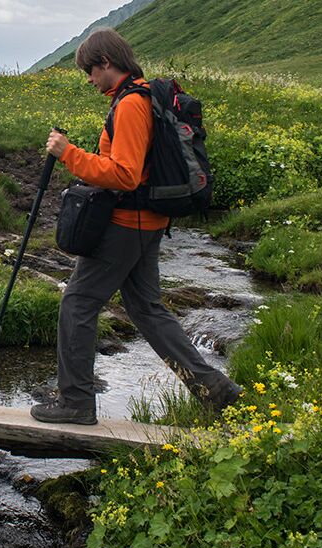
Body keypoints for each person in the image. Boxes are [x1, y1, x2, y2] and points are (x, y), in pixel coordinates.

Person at [30, 28, 242, 425]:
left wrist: (69, 154)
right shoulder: (143, 96)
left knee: (77, 304)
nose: (90, 80)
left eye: (90, 72)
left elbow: (125, 175)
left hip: (126, 224)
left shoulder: (130, 105)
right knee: (147, 309)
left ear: (107, 63)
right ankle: (215, 389)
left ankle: (75, 401)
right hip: (147, 223)